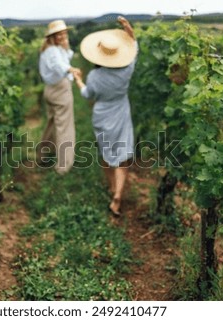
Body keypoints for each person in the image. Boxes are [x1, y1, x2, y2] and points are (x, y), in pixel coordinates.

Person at [73, 16, 139, 216]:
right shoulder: (127, 70)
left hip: (102, 115)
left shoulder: (94, 76)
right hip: (120, 112)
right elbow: (134, 48)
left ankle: (111, 187)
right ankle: (117, 195)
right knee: (122, 157)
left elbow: (87, 95)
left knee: (106, 154)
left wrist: (78, 80)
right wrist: (129, 29)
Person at [38, 20, 81, 175]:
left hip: (50, 90)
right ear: (52, 36)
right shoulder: (52, 51)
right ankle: (63, 166)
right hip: (60, 90)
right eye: (60, 34)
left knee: (52, 123)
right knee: (64, 126)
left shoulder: (51, 48)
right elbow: (58, 65)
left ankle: (42, 155)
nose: (63, 35)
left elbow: (65, 57)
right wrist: (71, 69)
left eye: (65, 33)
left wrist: (65, 44)